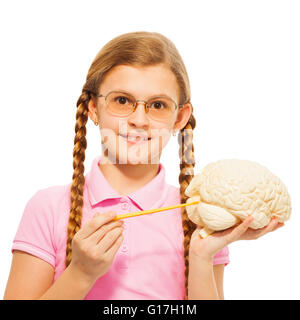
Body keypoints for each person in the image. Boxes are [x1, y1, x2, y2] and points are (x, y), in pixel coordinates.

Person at [3, 31, 283, 300]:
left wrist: (201, 256)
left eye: (158, 105)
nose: (139, 119)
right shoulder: (49, 207)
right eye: (122, 100)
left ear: (180, 117)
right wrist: (80, 274)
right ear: (92, 108)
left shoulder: (198, 213)